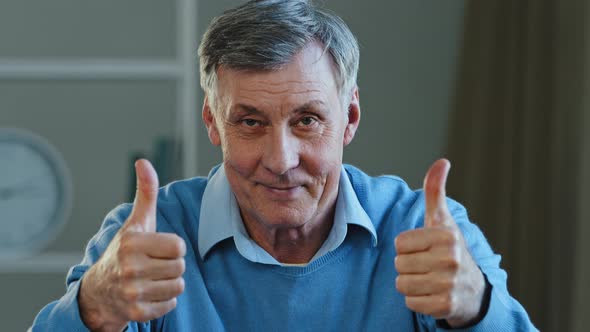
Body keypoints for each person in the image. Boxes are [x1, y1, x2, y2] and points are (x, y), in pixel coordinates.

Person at [31, 0, 537, 331]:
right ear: (213, 123)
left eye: (307, 121)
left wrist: (476, 309)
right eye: (249, 122)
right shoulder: (145, 237)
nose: (280, 161)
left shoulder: (427, 229)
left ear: (350, 118)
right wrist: (94, 307)